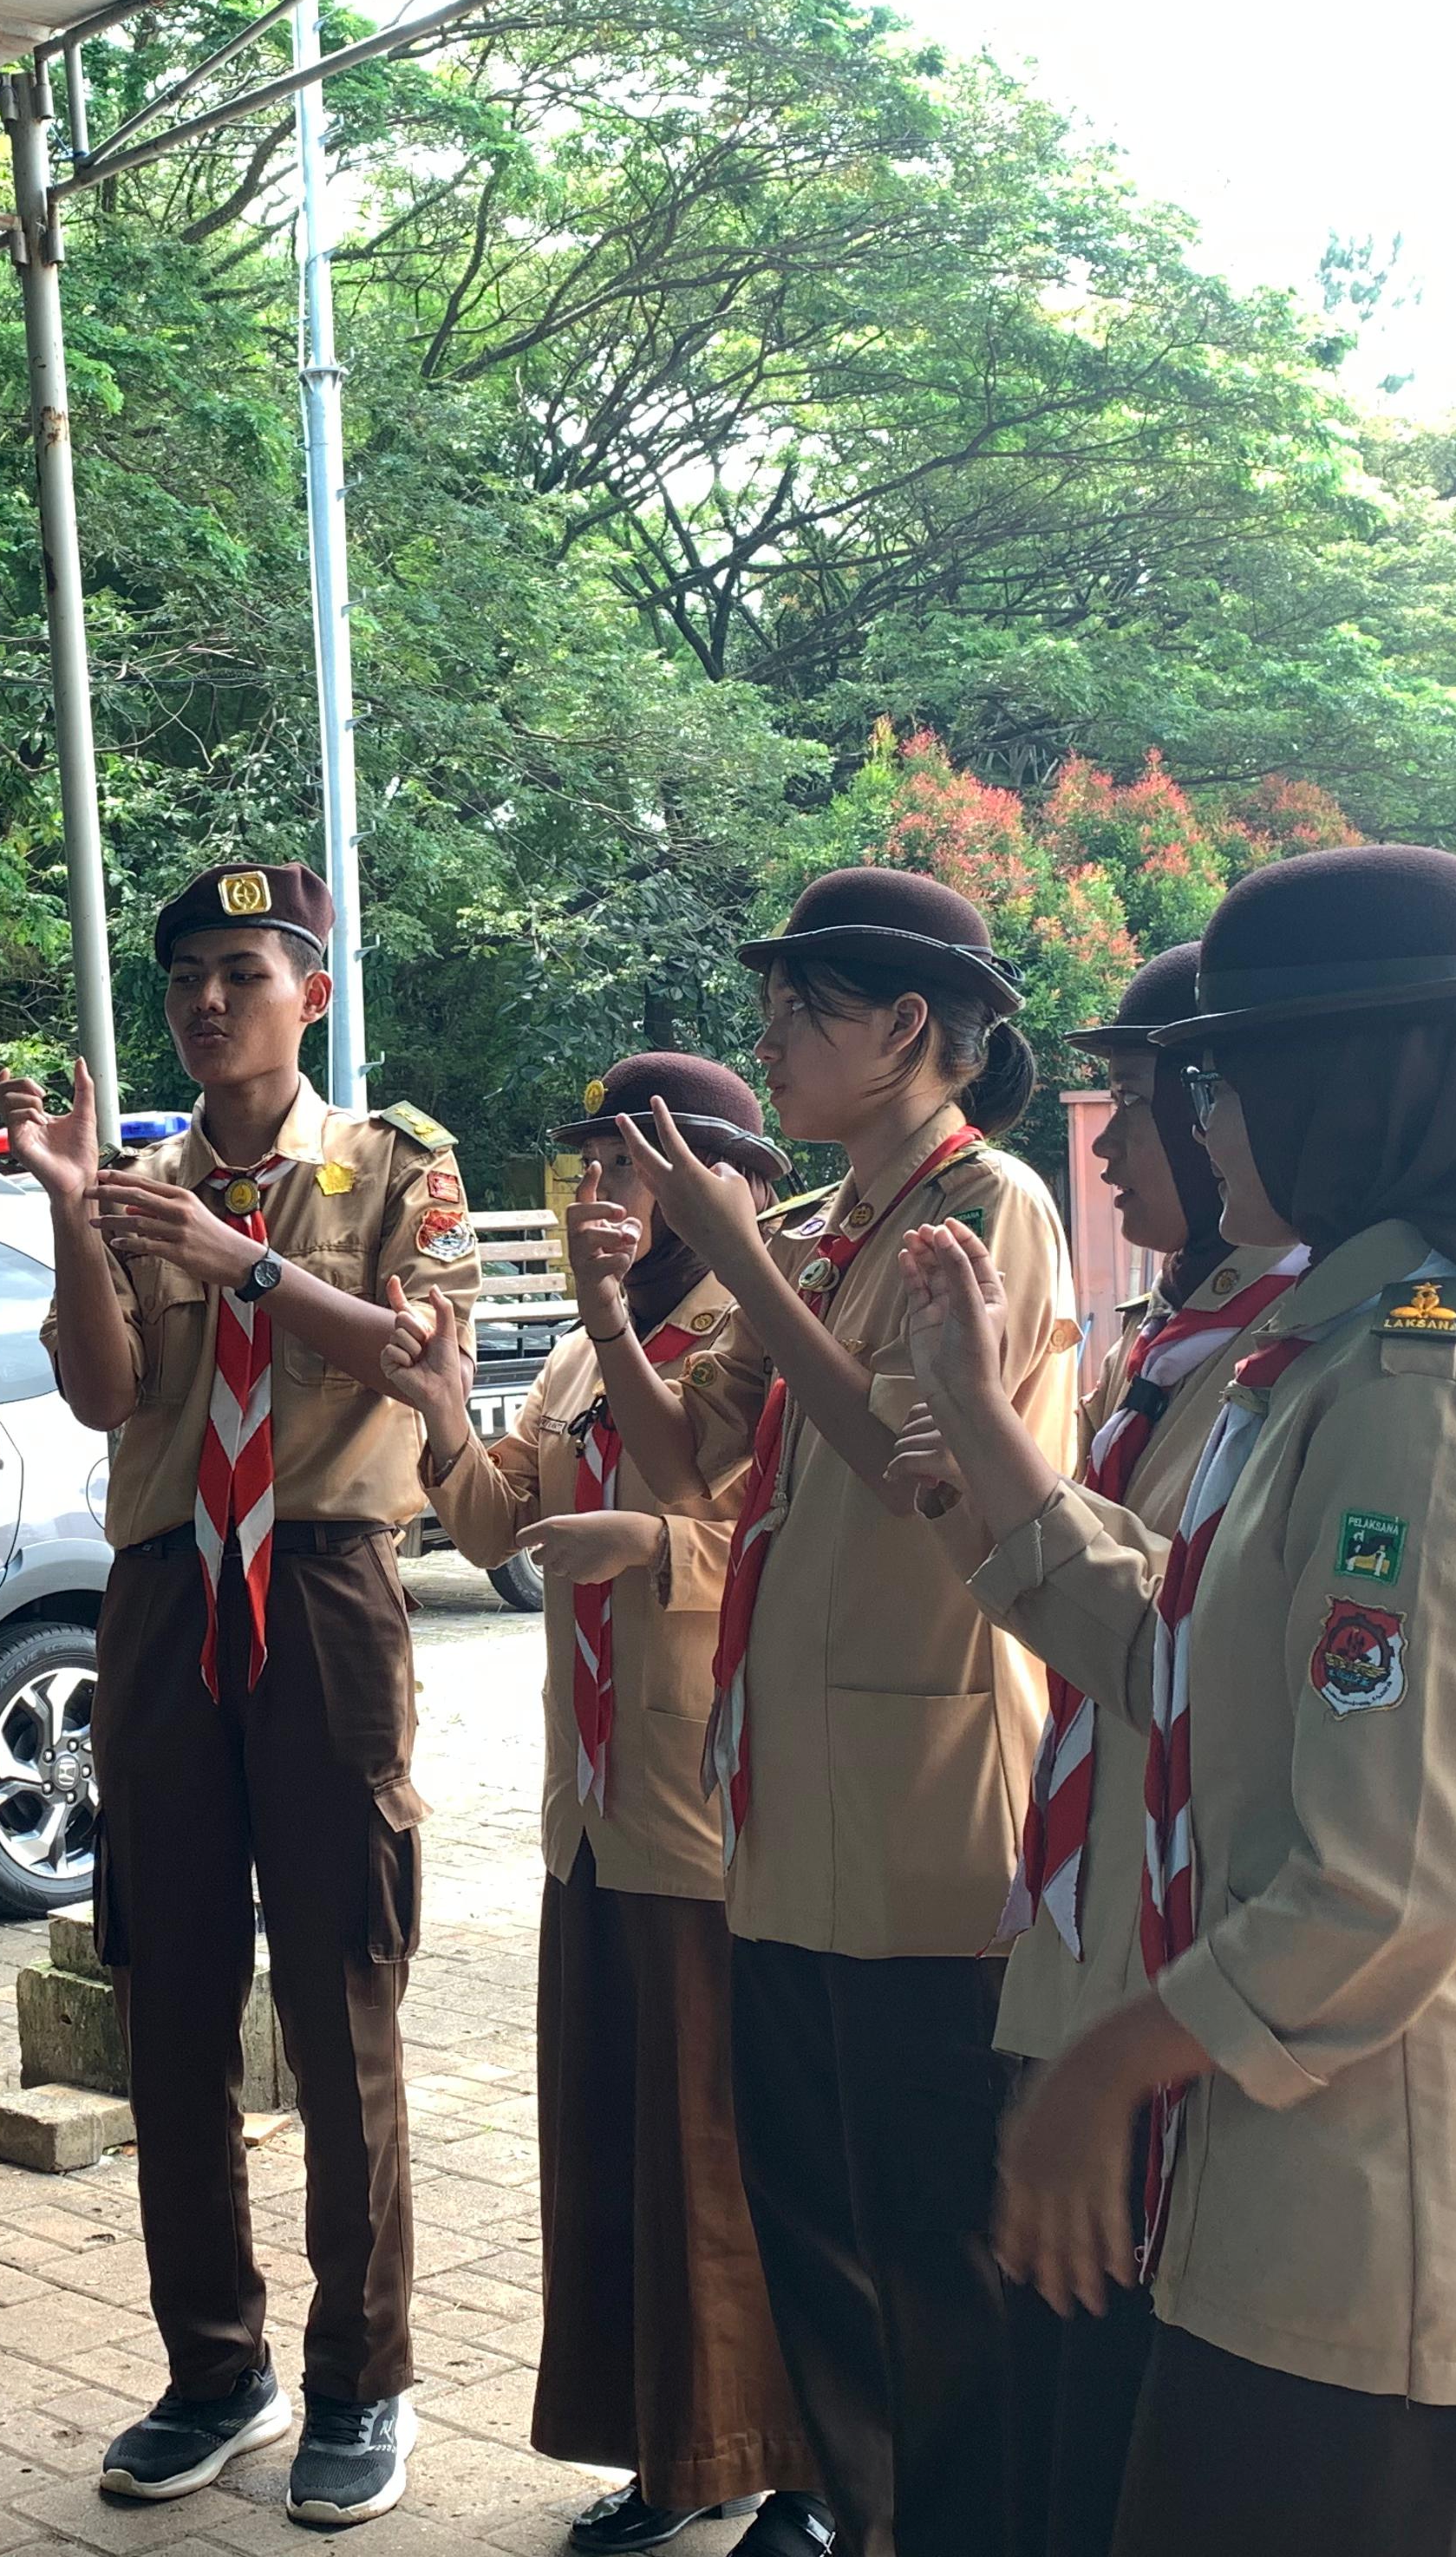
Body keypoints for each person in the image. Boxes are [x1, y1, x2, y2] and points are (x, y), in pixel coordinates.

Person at [896, 844, 1456, 2557]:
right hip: (1342, 2173)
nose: (1198, 1123)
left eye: (1225, 1079)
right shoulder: (1342, 1343)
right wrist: (979, 1417)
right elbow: (1185, 1661)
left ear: (1349, 1090)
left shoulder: (1421, 1378)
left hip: (1410, 2206)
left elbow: (1383, 1881)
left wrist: (1098, 2072)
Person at [597, 867, 1076, 2557]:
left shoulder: (991, 1206)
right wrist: (618, 1292)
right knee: (809, 2219)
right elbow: (691, 1463)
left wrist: (733, 1252)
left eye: (804, 1009)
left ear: (908, 1033)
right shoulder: (811, 1231)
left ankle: (946, 2531)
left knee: (931, 2248)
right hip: (788, 1808)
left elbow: (904, 1472)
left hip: (932, 1813)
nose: (770, 1038)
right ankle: (863, 2521)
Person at [0, 860, 474, 2529]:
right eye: (187, 975)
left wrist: (244, 1259)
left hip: (328, 1592)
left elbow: (426, 1363)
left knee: (343, 1998)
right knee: (173, 1994)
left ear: (312, 996)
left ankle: (361, 2378)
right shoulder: (138, 1181)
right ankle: (216, 2367)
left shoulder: (398, 1163)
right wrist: (75, 1207)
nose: (209, 1001)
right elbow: (105, 1390)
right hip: (163, 1598)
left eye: (244, 973)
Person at [374, 1053, 831, 2557]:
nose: (601, 1197)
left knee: (732, 2149)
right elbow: (503, 1520)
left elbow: (797, 1550)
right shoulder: (592, 1346)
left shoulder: (767, 1331)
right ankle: (678, 2451)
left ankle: (805, 2472)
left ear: (731, 1189)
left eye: (631, 1168)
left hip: (710, 1802)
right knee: (625, 2153)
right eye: (591, 1167)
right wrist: (443, 1413)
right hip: (595, 1807)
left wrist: (654, 1544)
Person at [952, 943, 1308, 2557]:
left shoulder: (1306, 1355)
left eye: (1151, 1107)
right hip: (1087, 1927)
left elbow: (1175, 1652)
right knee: (1056, 2392)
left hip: (1170, 1966)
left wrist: (980, 1437)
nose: (1107, 1145)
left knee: (1123, 2411)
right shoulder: (1180, 1337)